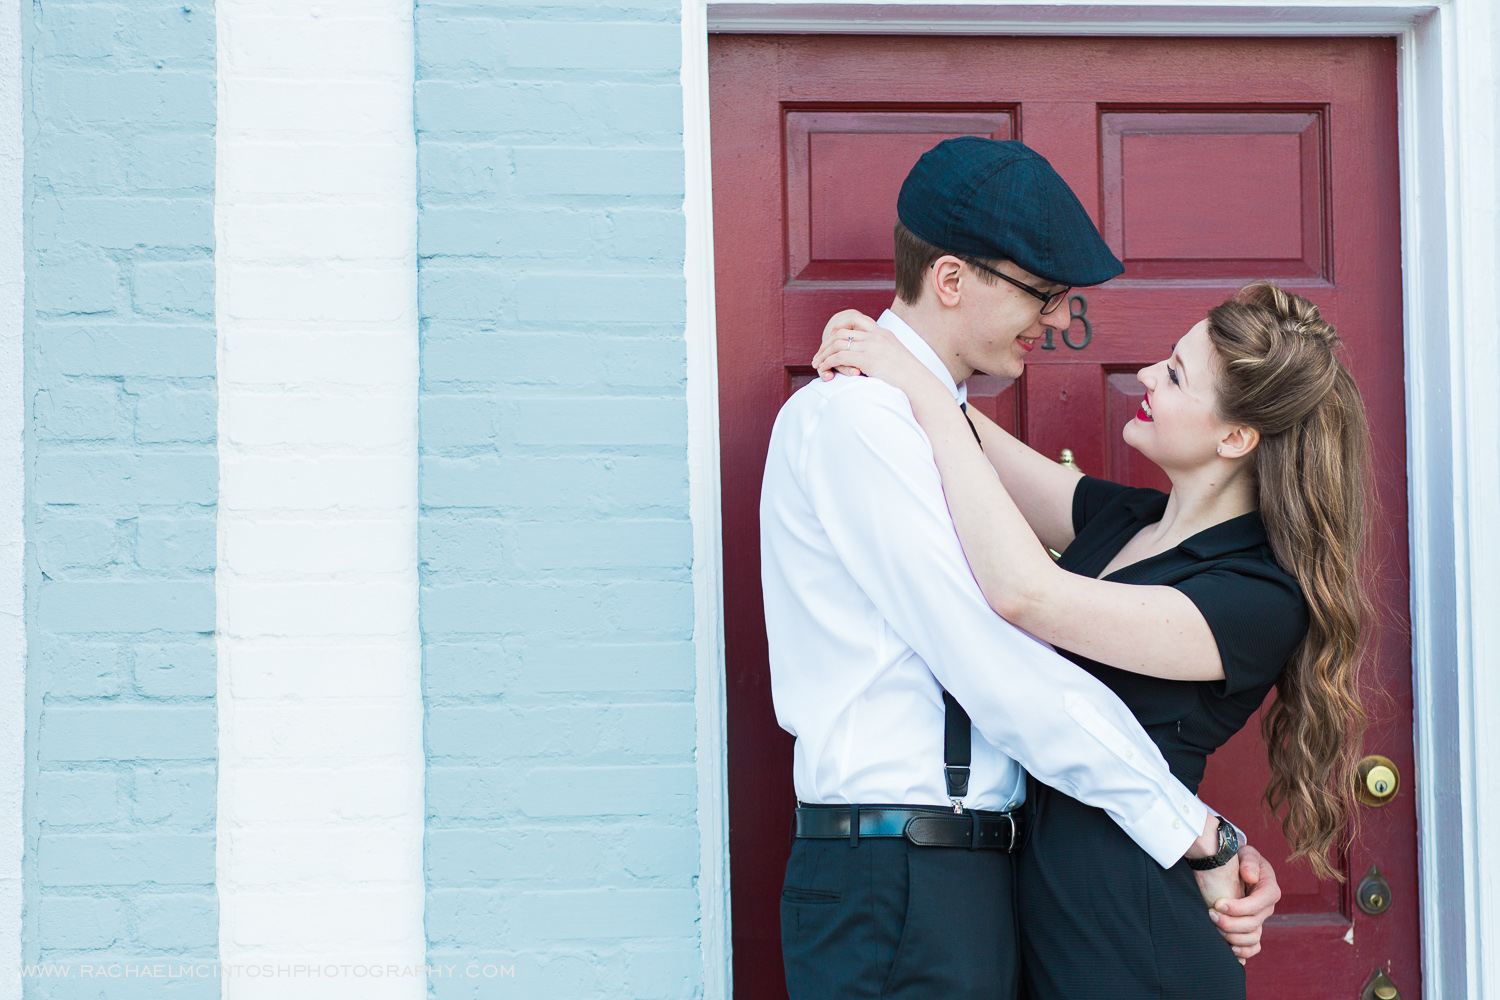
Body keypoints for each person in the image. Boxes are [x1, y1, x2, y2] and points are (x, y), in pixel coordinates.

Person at [760, 135, 1280, 1000]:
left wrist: (913, 374)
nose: (1057, 319)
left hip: (965, 877)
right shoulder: (855, 422)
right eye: (1043, 294)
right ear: (955, 280)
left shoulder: (924, 419)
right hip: (895, 874)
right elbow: (989, 652)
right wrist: (1195, 832)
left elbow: (962, 434)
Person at [812, 279, 1370, 999]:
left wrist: (912, 378)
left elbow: (1025, 594)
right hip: (1043, 909)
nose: (1144, 376)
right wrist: (889, 348)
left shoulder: (1256, 597)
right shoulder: (1128, 521)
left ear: (1235, 436)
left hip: (1131, 931)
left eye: (1173, 375)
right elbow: (966, 436)